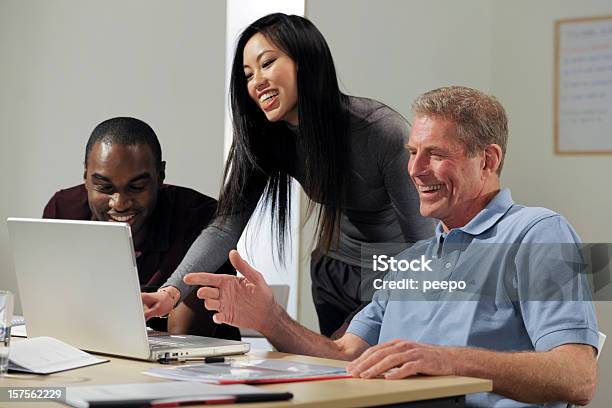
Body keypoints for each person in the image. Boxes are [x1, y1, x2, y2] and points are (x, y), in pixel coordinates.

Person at [183, 87, 599, 407]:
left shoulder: (537, 233)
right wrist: (270, 318)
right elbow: (344, 353)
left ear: (488, 160)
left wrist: (448, 361)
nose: (415, 170)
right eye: (413, 153)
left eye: (434, 154)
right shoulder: (412, 260)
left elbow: (577, 377)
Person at [142, 13, 433, 337]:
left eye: (267, 63)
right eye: (248, 74)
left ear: (306, 61)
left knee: (365, 367)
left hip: (391, 272)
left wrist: (369, 320)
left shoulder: (382, 133)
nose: (256, 82)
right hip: (332, 273)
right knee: (338, 377)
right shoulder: (267, 136)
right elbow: (225, 226)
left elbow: (424, 244)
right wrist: (170, 292)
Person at [43, 117, 239, 340]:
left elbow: (183, 342)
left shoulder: (199, 218)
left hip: (194, 368)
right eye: (104, 187)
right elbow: (53, 314)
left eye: (136, 187)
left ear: (160, 176)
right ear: (85, 175)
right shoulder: (63, 211)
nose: (119, 203)